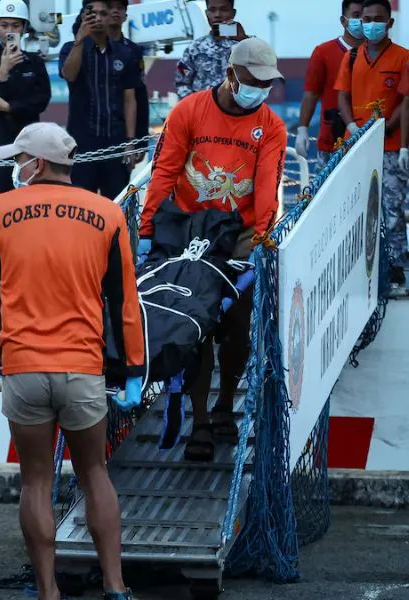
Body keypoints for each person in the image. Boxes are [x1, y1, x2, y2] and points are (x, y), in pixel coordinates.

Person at [0, 122, 143, 600]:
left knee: (35, 479)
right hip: (82, 368)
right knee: (95, 473)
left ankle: (48, 589)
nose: (16, 167)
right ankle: (115, 586)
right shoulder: (106, 213)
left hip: (23, 366)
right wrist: (132, 369)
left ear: (38, 163)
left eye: (19, 159)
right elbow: (124, 301)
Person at [139, 37, 286, 462]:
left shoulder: (271, 125)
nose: (259, 89)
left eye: (267, 83)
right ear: (231, 75)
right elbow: (165, 170)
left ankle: (225, 405)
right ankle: (199, 421)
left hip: (238, 229)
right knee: (195, 322)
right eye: (253, 80)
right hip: (190, 227)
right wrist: (148, 228)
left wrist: (260, 239)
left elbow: (265, 186)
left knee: (238, 322)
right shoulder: (189, 111)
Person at [337, 0, 409, 291]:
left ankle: (397, 269)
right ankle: (363, 269)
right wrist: (354, 127)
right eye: (366, 19)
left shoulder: (403, 58)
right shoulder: (352, 57)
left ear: (389, 23)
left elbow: (406, 102)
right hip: (356, 146)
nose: (371, 24)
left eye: (378, 18)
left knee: (392, 211)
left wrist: (388, 132)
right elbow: (342, 96)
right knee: (358, 209)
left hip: (390, 147)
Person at [0, 0, 51, 216]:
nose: (10, 31)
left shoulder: (35, 63)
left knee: (30, 202)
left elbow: (41, 101)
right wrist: (3, 72)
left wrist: (9, 107)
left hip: (28, 142)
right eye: (5, 25)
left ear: (25, 28)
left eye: (16, 25)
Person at [60, 0, 140, 199]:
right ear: (83, 17)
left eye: (103, 13)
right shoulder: (70, 48)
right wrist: (79, 40)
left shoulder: (125, 53)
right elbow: (69, 75)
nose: (98, 18)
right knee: (81, 204)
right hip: (82, 143)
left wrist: (130, 142)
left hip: (116, 142)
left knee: (117, 203)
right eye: (92, 13)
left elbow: (129, 99)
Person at [296, 1, 364, 163]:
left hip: (368, 136)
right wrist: (302, 129)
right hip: (332, 141)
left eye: (365, 16)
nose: (361, 20)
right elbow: (311, 94)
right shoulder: (323, 52)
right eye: (356, 15)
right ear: (343, 20)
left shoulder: (376, 54)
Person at [175, 0, 247, 100]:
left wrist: (244, 39)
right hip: (201, 111)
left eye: (224, 10)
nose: (217, 15)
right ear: (206, 13)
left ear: (233, 13)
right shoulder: (194, 48)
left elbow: (262, 74)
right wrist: (194, 105)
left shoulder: (246, 46)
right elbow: (182, 83)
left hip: (235, 111)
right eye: (212, 10)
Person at [108, 0, 150, 157]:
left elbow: (139, 96)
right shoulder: (91, 49)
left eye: (120, 8)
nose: (115, 11)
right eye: (110, 7)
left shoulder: (133, 51)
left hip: (125, 132)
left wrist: (140, 141)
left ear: (125, 15)